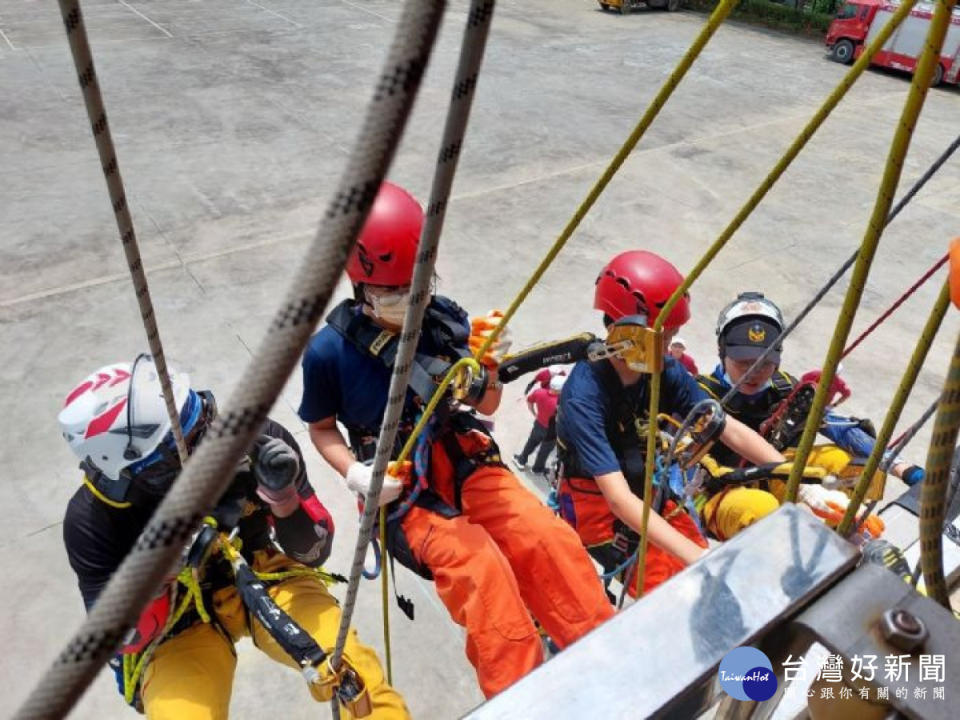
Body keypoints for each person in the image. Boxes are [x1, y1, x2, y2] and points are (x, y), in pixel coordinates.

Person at [297, 182, 614, 699]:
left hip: (460, 456)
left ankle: (605, 656)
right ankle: (525, 701)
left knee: (546, 539)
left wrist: (484, 367)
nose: (412, 302)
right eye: (396, 293)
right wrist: (356, 474)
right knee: (481, 572)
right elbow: (321, 427)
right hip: (403, 488)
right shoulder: (329, 353)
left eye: (419, 287)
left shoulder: (442, 321)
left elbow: (485, 405)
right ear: (361, 285)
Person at [59, 355, 408, 720]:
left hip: (262, 572)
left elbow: (313, 553)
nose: (210, 440)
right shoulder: (93, 519)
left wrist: (284, 500)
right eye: (187, 442)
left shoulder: (260, 442)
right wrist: (158, 572)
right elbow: (120, 639)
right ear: (138, 471)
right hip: (177, 621)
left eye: (202, 416)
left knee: (358, 681)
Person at [555, 250, 787, 596]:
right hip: (598, 508)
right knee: (679, 595)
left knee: (713, 588)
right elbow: (616, 499)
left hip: (646, 491)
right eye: (662, 336)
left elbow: (724, 425)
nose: (668, 346)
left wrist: (789, 475)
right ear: (626, 332)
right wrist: (697, 557)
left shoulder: (661, 369)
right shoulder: (584, 396)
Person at [696, 292, 915, 539]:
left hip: (774, 475)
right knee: (760, 508)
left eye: (764, 362)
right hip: (719, 490)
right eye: (743, 362)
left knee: (848, 464)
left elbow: (838, 427)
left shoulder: (785, 387)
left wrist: (901, 467)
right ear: (721, 351)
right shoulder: (699, 395)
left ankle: (845, 534)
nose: (754, 372)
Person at [513, 373, 565, 476]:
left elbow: (529, 401)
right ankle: (537, 468)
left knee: (531, 443)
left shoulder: (539, 392)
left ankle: (521, 461)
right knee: (545, 451)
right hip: (552, 431)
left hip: (539, 424)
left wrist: (534, 413)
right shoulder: (562, 403)